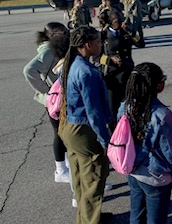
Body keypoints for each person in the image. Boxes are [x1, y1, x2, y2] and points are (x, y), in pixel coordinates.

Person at [119, 63, 172, 224]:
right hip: (156, 177)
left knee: (136, 216)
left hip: (133, 171)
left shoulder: (125, 107)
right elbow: (171, 152)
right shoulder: (162, 114)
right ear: (157, 85)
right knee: (156, 220)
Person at [58, 26, 113, 224]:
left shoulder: (71, 63)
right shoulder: (87, 72)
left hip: (70, 127)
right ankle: (90, 221)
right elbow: (94, 113)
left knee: (80, 177)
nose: (101, 44)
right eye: (98, 41)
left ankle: (87, 217)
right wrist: (106, 141)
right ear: (88, 45)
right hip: (83, 129)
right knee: (93, 177)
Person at [23, 22, 71, 184]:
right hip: (54, 100)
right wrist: (47, 90)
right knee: (60, 133)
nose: (65, 33)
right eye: (60, 32)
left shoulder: (53, 47)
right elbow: (29, 70)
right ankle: (61, 170)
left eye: (65, 30)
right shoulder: (49, 50)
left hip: (55, 99)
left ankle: (65, 165)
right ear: (51, 35)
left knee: (63, 132)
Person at [98, 11, 137, 124]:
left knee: (129, 104)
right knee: (112, 107)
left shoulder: (125, 33)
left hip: (127, 72)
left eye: (120, 20)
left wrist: (130, 30)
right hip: (112, 76)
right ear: (110, 23)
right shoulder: (103, 36)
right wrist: (111, 59)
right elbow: (97, 58)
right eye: (116, 21)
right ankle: (114, 131)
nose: (119, 23)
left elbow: (141, 43)